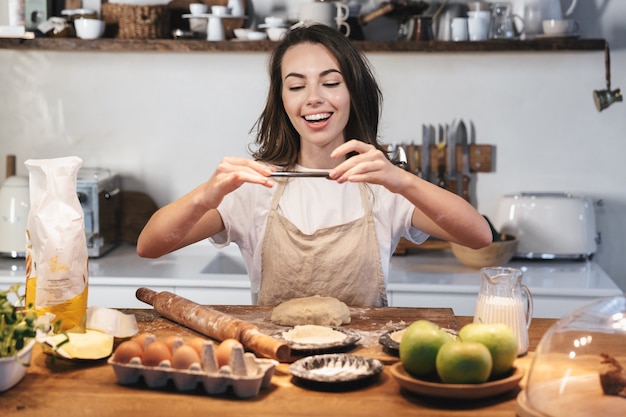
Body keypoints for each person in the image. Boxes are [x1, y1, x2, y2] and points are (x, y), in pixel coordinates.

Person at [137, 24, 492, 307]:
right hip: (277, 367)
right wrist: (206, 194)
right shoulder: (256, 184)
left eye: (331, 82)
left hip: (365, 367)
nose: (313, 99)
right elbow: (150, 246)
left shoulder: (382, 183)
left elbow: (478, 236)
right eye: (296, 86)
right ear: (282, 101)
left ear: (354, 91)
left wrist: (403, 181)